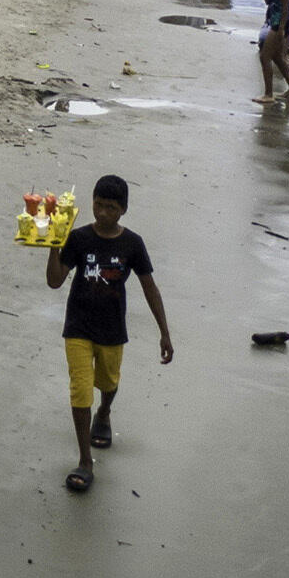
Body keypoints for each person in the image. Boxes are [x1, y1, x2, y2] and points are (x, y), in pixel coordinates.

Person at [44, 174, 171, 495]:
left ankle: (105, 411)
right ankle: (85, 460)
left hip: (112, 329)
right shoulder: (79, 238)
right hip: (78, 327)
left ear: (123, 210)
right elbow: (55, 281)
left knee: (109, 382)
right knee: (80, 390)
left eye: (111, 208)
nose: (102, 213)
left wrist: (164, 333)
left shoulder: (132, 244)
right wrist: (53, 246)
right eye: (98, 205)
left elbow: (149, 288)